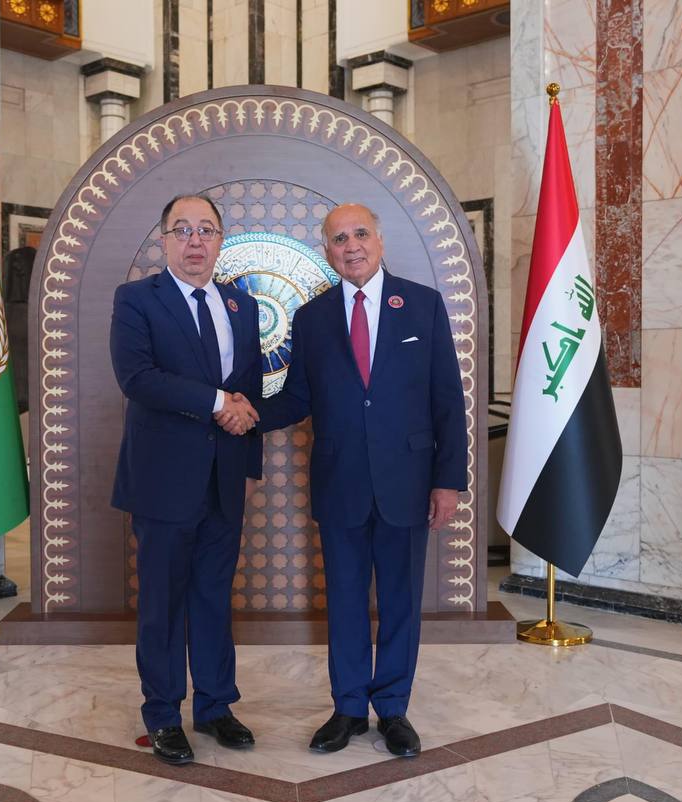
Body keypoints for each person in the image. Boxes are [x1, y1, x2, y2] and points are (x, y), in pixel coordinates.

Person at [220, 203, 467, 758]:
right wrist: (246, 411)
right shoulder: (313, 318)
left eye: (360, 234)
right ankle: (349, 708)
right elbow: (299, 398)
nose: (351, 245)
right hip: (340, 481)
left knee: (401, 601)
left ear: (379, 240)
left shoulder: (422, 305)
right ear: (328, 252)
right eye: (338, 239)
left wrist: (448, 481)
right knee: (347, 601)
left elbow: (447, 399)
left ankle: (394, 709)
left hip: (408, 480)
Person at [110, 193, 263, 765]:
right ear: (165, 239)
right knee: (163, 603)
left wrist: (249, 466)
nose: (195, 240)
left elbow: (251, 391)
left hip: (226, 478)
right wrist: (217, 401)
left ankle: (216, 706)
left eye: (206, 230)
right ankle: (163, 714)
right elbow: (137, 378)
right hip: (162, 479)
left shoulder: (242, 304)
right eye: (183, 229)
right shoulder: (136, 299)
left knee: (214, 598)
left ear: (221, 240)